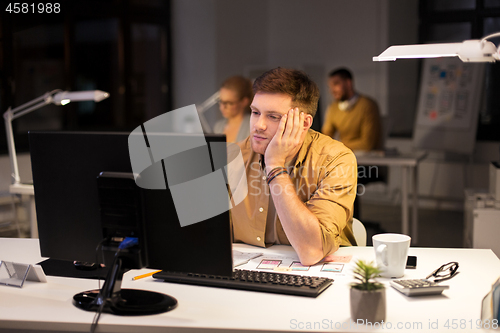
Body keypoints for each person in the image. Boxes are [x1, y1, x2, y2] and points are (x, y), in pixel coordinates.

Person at [230, 67, 357, 266]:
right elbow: (201, 237)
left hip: (320, 277)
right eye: (255, 112)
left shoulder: (336, 159)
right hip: (248, 273)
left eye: (273, 117)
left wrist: (275, 166)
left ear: (304, 123)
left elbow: (312, 251)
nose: (259, 125)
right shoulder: (231, 158)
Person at [321, 68, 382, 152]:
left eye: (336, 84)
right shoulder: (333, 107)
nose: (332, 90)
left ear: (348, 83)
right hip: (343, 156)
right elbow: (325, 138)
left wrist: (337, 145)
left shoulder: (367, 105)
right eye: (330, 86)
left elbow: (367, 144)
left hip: (366, 161)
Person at [213, 76, 253, 142]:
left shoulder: (252, 127)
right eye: (221, 101)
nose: (222, 107)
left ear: (244, 102)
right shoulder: (218, 127)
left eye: (229, 103)